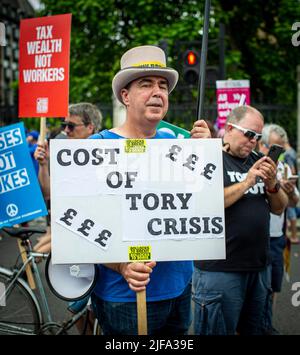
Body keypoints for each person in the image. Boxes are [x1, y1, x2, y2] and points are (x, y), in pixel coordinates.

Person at [89, 45, 211, 335]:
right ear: (125, 96)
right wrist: (121, 265)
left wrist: (206, 156)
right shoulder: (96, 146)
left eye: (163, 86)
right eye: (146, 84)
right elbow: (77, 223)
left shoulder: (180, 145)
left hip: (180, 286)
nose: (158, 92)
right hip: (125, 296)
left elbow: (203, 206)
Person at [193, 105, 288, 335]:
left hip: (258, 268)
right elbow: (207, 203)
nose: (253, 141)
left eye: (257, 137)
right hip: (220, 270)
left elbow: (279, 208)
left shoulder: (257, 159)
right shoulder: (209, 157)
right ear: (229, 128)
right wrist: (247, 182)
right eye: (249, 134)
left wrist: (272, 184)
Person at [33, 102, 103, 334]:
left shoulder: (105, 154)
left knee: (89, 308)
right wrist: (43, 165)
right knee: (78, 308)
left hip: (95, 244)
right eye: (64, 126)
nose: (65, 131)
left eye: (71, 126)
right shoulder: (65, 156)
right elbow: (48, 192)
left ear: (90, 127)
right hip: (77, 245)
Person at [259, 124, 299, 335]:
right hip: (255, 238)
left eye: (281, 150)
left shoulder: (283, 169)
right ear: (262, 144)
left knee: (273, 286)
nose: (278, 155)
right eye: (274, 149)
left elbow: (293, 203)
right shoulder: (250, 165)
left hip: (275, 238)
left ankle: (267, 325)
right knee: (255, 289)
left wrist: (289, 192)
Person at [283, 138, 299, 244]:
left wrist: (288, 179)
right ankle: (293, 235)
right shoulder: (292, 151)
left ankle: (293, 235)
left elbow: (292, 170)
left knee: (290, 210)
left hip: (288, 182)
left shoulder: (288, 154)